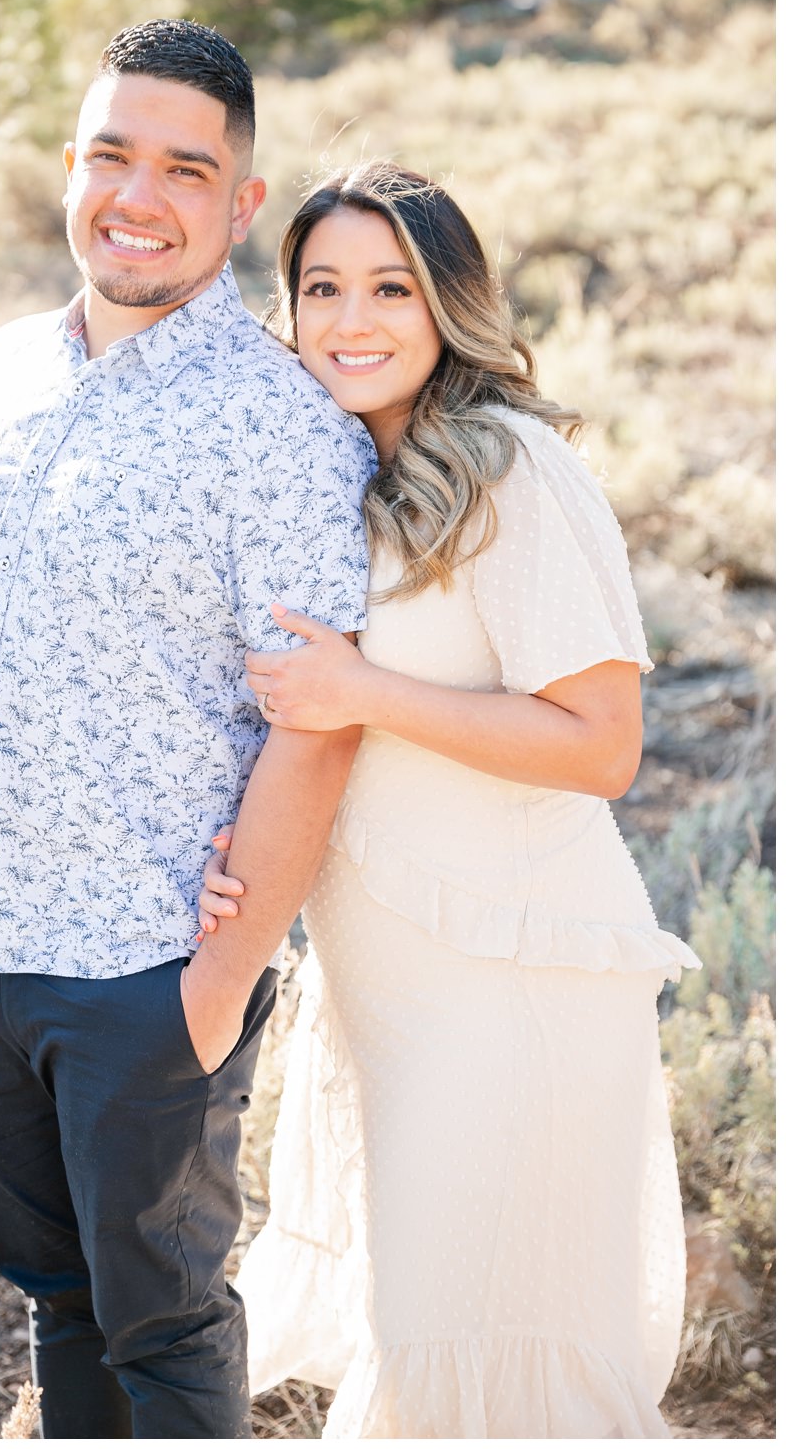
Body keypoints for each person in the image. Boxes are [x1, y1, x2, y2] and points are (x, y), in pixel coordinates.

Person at [0, 19, 377, 1438]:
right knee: (57, 1298)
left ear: (240, 206)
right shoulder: (2, 368)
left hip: (141, 959)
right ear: (70, 167)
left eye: (186, 169)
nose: (138, 195)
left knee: (163, 1331)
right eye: (112, 154)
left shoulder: (282, 425)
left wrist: (222, 975)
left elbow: (320, 721)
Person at [197, 161, 695, 1437]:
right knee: (424, 1323)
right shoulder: (328, 471)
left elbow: (599, 744)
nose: (350, 321)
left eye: (389, 288)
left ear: (447, 306)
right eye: (320, 288)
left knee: (470, 1346)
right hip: (390, 984)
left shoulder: (507, 468)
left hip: (512, 971)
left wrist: (363, 688)